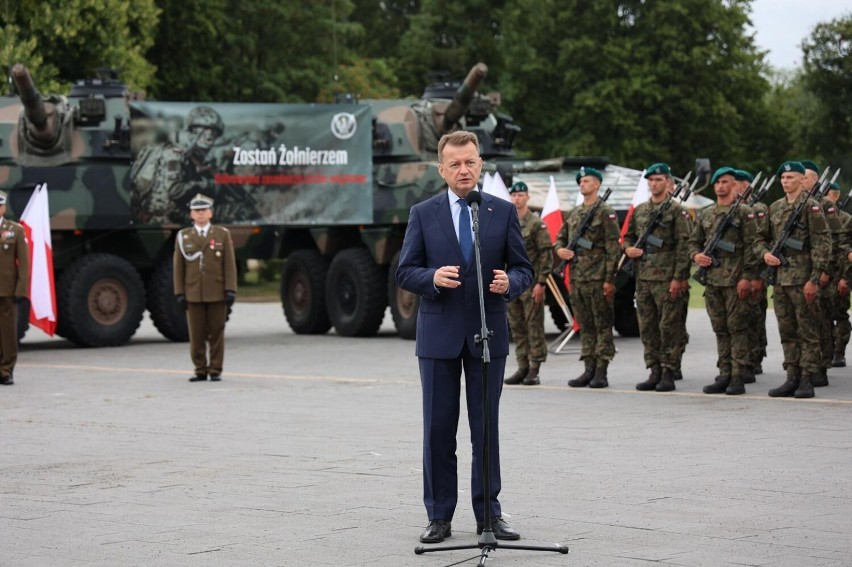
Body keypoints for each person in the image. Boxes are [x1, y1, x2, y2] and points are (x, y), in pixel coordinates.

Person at [396, 130, 532, 544]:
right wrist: (431, 278)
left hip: (487, 335)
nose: (464, 170)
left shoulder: (501, 212)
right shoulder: (423, 213)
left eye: (470, 162)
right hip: (437, 336)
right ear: (442, 169)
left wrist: (508, 282)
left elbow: (524, 270)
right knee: (438, 429)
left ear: (480, 164)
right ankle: (439, 516)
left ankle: (489, 514)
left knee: (484, 428)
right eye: (455, 164)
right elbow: (404, 271)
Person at [755, 161, 831, 398]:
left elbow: (823, 244)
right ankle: (792, 377)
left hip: (803, 280)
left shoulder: (812, 207)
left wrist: (815, 279)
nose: (786, 181)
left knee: (807, 330)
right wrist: (765, 254)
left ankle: (807, 378)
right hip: (780, 280)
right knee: (787, 330)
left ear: (801, 179)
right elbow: (759, 239)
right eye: (783, 178)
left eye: (790, 177)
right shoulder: (775, 208)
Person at [689, 167, 759, 395]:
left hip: (735, 281)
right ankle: (724, 373)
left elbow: (752, 247)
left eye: (726, 182)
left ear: (734, 185)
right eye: (717, 182)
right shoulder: (706, 214)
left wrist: (747, 277)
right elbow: (693, 242)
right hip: (713, 281)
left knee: (737, 329)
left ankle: (738, 376)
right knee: (720, 329)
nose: (720, 186)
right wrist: (695, 256)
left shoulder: (744, 212)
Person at [623, 163, 691, 392]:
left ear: (668, 182)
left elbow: (684, 246)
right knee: (648, 326)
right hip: (643, 278)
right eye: (651, 180)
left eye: (659, 180)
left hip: (666, 277)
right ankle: (654, 370)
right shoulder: (641, 210)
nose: (654, 184)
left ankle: (669, 371)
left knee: (669, 326)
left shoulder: (676, 211)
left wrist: (678, 278)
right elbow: (627, 237)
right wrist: (628, 249)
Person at [554, 167, 621, 388]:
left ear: (597, 184)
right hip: (577, 278)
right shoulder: (575, 213)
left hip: (598, 277)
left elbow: (613, 249)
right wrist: (559, 251)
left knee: (602, 325)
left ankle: (601, 370)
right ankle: (588, 368)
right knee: (585, 324)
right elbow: (560, 239)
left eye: (587, 181)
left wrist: (610, 279)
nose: (582, 184)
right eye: (581, 181)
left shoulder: (605, 212)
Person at [173, 193, 238, 382]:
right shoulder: (184, 236)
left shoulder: (221, 234)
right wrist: (179, 292)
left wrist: (230, 289)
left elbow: (229, 264)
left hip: (216, 291)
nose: (200, 214)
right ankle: (200, 369)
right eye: (196, 211)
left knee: (217, 332)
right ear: (191, 215)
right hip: (193, 293)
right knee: (196, 334)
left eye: (203, 210)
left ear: (211, 213)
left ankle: (215, 369)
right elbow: (179, 267)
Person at [504, 181, 553, 386]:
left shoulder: (535, 223)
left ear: (527, 198)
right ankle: (522, 366)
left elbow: (545, 254)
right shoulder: (507, 222)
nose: (517, 199)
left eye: (521, 195)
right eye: (514, 196)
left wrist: (541, 282)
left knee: (534, 327)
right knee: (517, 327)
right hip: (511, 284)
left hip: (531, 283)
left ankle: (535, 368)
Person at [801, 160, 836, 387]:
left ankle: (821, 366)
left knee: (822, 321)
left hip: (822, 274)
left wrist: (827, 271)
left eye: (805, 177)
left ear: (815, 180)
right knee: (804, 324)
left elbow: (834, 241)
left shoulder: (824, 205)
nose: (802, 181)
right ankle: (804, 367)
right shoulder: (795, 204)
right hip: (799, 273)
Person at [733, 169, 766, 382]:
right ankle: (739, 362)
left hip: (753, 271)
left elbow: (760, 242)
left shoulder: (759, 208)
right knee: (737, 321)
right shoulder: (729, 209)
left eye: (737, 183)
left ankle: (755, 358)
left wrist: (757, 275)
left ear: (746, 186)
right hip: (730, 274)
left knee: (754, 317)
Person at [0, 191, 30, 386]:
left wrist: (20, 290)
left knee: (7, 331)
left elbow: (24, 263)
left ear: (3, 208)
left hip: (6, 290)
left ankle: (6, 370)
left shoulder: (15, 230)